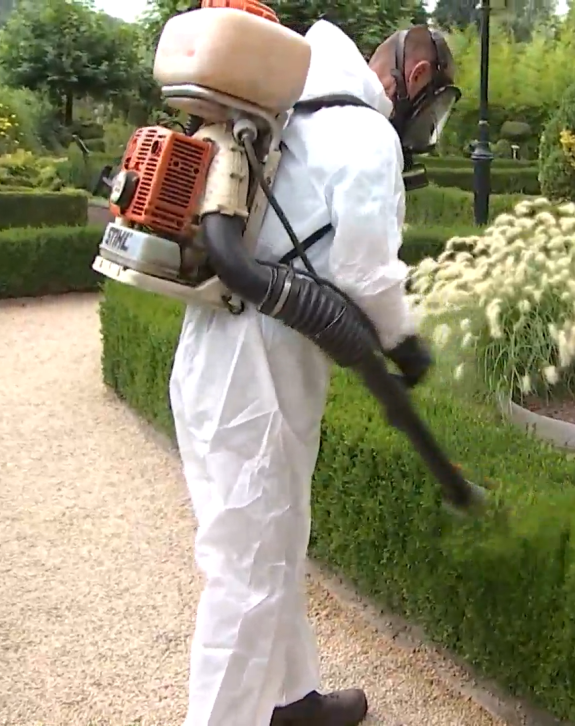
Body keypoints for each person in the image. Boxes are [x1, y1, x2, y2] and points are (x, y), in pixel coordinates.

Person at [167, 18, 459, 726]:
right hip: (257, 378)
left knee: (274, 539)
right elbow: (364, 269)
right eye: (437, 106)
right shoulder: (365, 133)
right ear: (417, 79)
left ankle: (290, 700)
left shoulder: (288, 108)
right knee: (247, 576)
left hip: (213, 351)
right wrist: (405, 341)